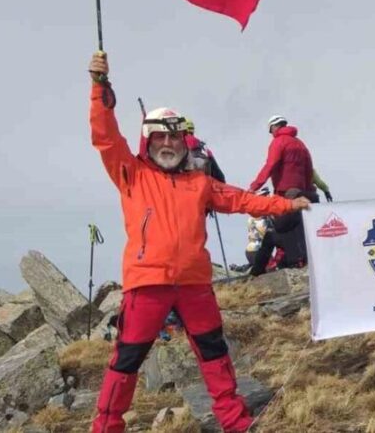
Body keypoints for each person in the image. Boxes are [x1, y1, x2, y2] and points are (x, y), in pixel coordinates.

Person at [86, 52, 307, 433]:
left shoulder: (199, 183)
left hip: (194, 285)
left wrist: (287, 202)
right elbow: (106, 138)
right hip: (147, 285)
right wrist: (99, 88)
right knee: (127, 360)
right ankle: (106, 427)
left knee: (214, 353)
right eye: (161, 136)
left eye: (175, 136)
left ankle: (237, 423)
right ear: (149, 140)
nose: (169, 143)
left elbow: (242, 200)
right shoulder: (131, 174)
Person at [249, 115, 315, 268]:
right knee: (300, 229)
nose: (271, 133)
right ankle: (303, 259)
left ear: (274, 127)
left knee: (281, 228)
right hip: (303, 192)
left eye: (270, 130)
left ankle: (293, 262)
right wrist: (309, 189)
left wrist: (255, 186)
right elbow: (309, 169)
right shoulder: (300, 144)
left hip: (286, 192)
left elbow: (270, 165)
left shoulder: (278, 142)